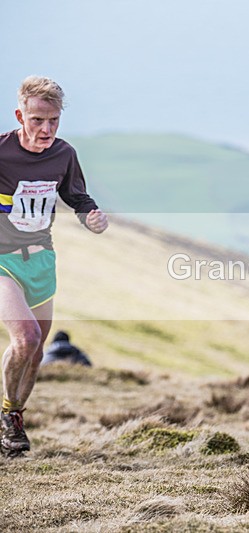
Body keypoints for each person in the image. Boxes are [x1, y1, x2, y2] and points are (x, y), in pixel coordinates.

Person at [0, 76, 108, 457]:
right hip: (2, 262)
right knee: (25, 337)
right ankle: (8, 419)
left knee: (37, 348)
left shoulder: (64, 154)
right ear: (20, 115)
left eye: (54, 121)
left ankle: (12, 416)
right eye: (37, 120)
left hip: (41, 259)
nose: (46, 129)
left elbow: (76, 195)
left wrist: (90, 215)